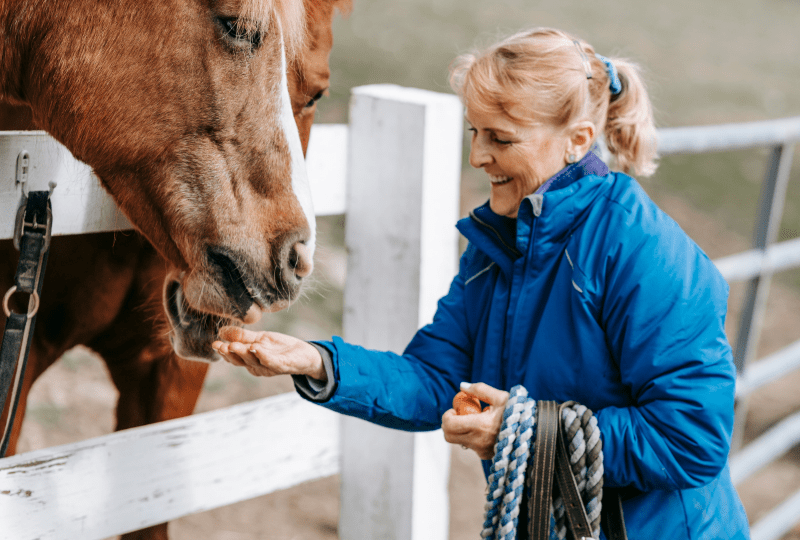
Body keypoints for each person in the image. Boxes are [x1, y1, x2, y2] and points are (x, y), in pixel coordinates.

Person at [213, 27, 750, 539]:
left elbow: (691, 438)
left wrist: (524, 433)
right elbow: (434, 378)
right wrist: (318, 363)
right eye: (475, 131)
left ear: (577, 140)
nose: (476, 156)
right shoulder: (495, 248)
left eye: (501, 138)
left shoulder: (645, 250)